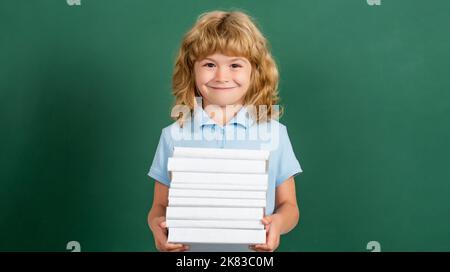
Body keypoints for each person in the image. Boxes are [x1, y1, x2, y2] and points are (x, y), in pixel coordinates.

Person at [147, 10, 302, 252]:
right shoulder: (173, 134)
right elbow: (159, 207)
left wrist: (278, 223)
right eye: (209, 64)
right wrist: (156, 225)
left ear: (255, 71)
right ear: (192, 70)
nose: (222, 76)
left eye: (235, 65)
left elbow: (289, 206)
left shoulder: (274, 133)